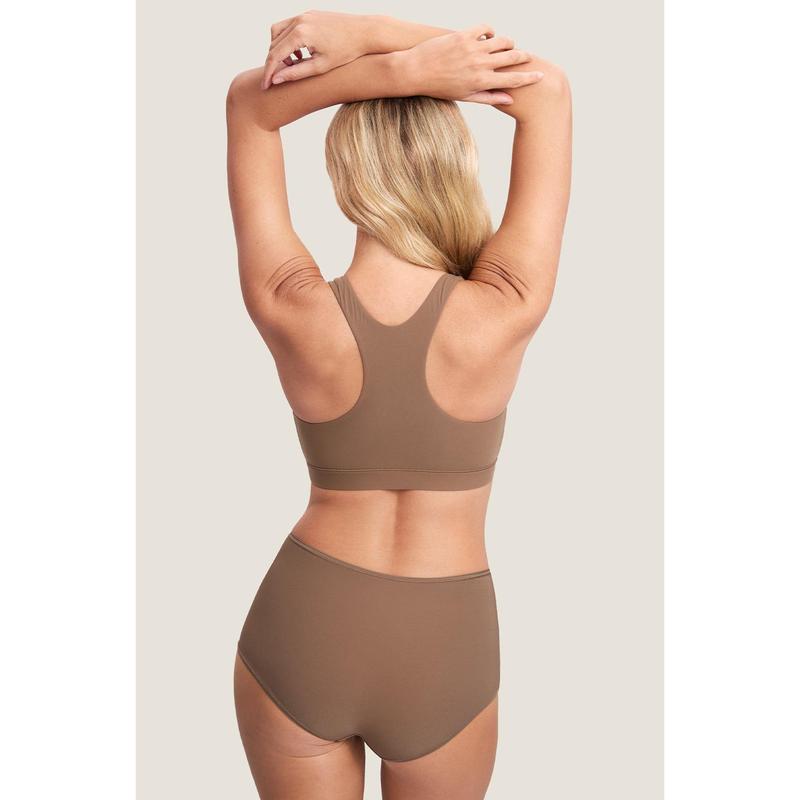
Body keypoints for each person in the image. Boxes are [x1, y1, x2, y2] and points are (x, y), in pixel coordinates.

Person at [226, 11, 572, 799]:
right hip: (445, 637)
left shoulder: (293, 307)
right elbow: (548, 90)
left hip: (305, 621)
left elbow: (249, 105)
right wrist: (394, 46)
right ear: (458, 165)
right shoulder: (506, 305)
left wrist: (387, 67)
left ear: (344, 174)